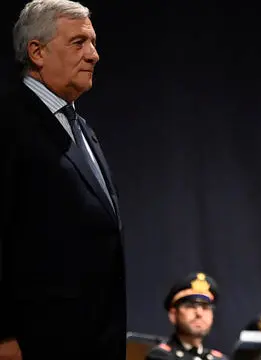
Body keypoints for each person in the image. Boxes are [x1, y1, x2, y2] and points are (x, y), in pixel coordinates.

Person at [0, 1, 126, 359]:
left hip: (93, 340)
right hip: (37, 343)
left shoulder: (81, 128)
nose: (94, 55)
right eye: (78, 43)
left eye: (93, 42)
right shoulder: (9, 124)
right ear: (37, 52)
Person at [146, 272, 228, 360]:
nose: (199, 313)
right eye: (191, 306)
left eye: (205, 307)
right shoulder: (160, 356)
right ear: (173, 314)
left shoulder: (218, 358)